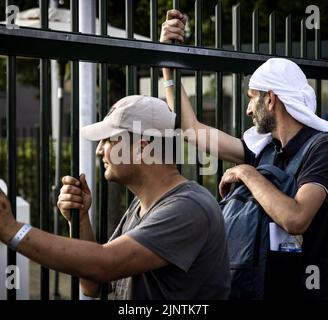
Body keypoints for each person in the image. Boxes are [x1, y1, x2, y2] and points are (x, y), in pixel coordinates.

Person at [160, 9, 328, 299]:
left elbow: (296, 218)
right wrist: (168, 62)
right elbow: (191, 130)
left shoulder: (321, 147)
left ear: (271, 99)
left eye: (252, 99)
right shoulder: (264, 149)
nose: (249, 109)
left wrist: (246, 173)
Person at [0, 95, 231, 300]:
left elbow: (104, 264)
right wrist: (80, 220)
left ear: (142, 148)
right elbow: (93, 285)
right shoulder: (143, 205)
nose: (100, 149)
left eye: (109, 139)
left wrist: (11, 230)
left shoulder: (188, 208)